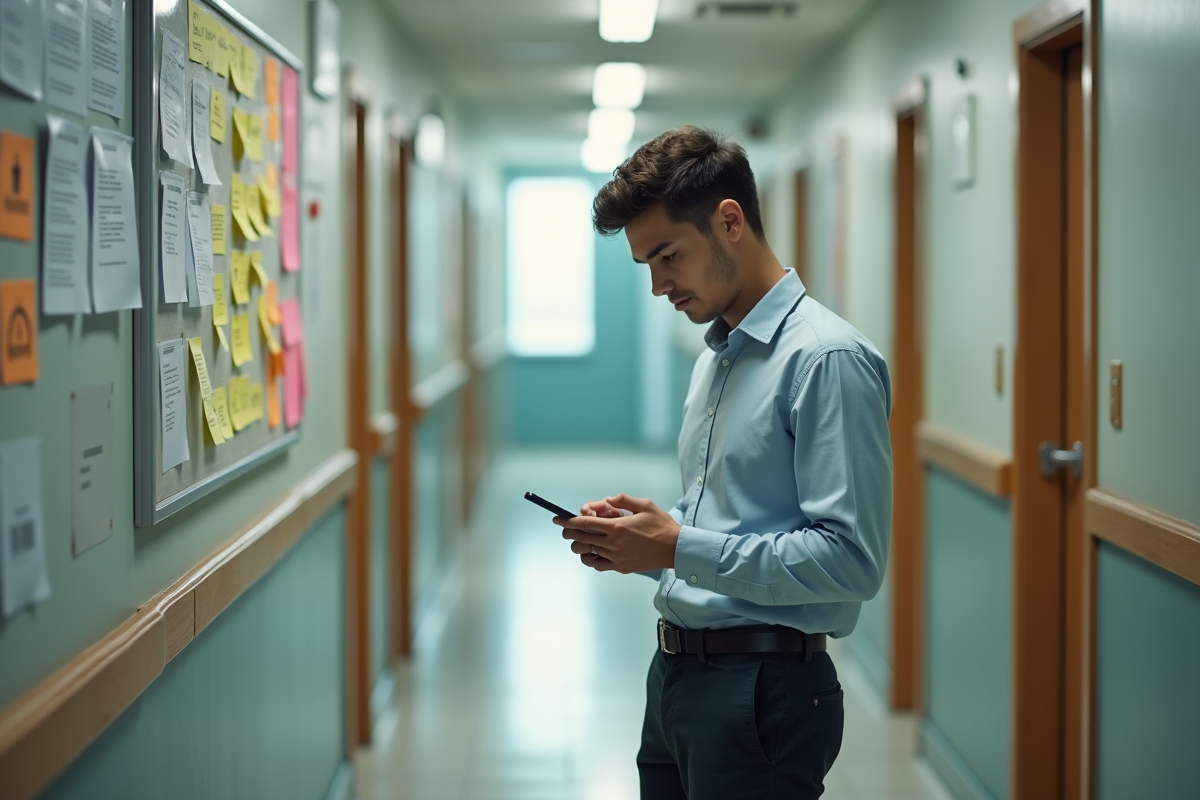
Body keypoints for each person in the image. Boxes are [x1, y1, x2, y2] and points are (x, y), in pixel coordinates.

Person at [553, 125, 893, 800]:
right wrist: (648, 540)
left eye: (667, 256)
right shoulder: (718, 354)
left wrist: (681, 545)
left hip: (762, 693)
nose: (658, 287)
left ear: (729, 221)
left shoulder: (826, 360)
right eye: (647, 265)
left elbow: (851, 561)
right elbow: (729, 520)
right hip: (678, 676)